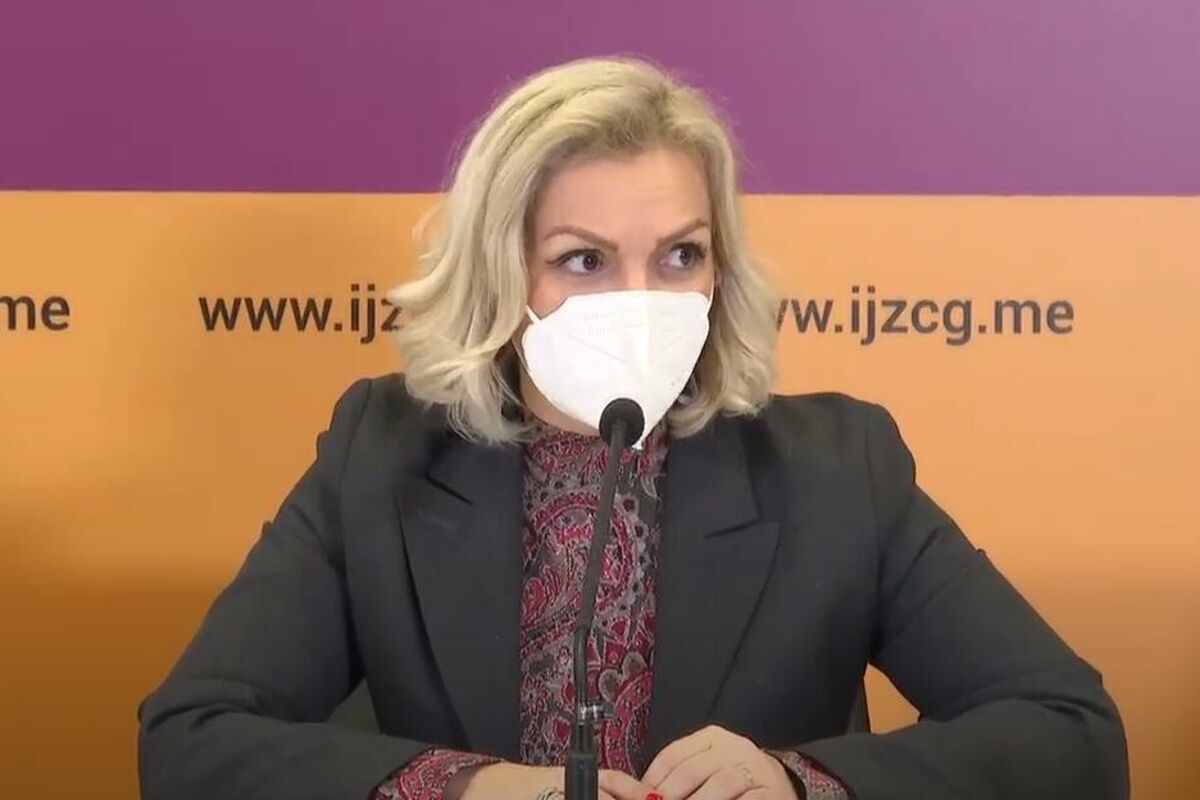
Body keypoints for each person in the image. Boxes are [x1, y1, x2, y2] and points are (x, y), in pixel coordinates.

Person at [137, 56, 1129, 800]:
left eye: (680, 255)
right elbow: (190, 740)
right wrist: (468, 789)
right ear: (501, 273)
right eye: (584, 259)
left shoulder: (838, 469)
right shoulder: (383, 453)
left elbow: (1072, 734)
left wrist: (798, 782)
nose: (641, 298)